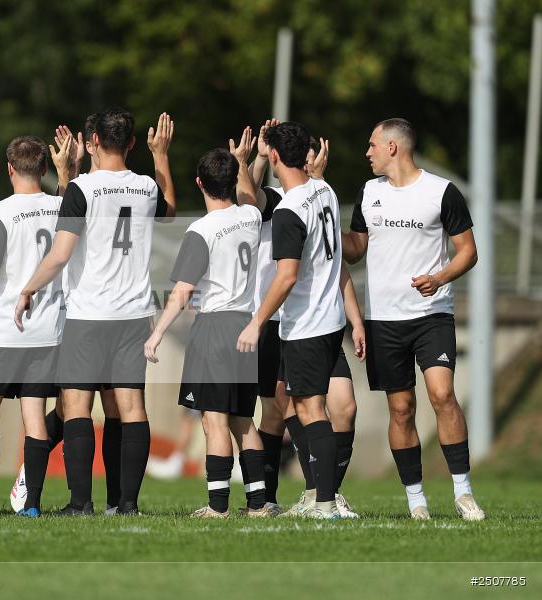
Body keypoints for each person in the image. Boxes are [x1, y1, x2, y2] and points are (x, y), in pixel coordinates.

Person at [16, 108, 176, 515]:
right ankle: (126, 504)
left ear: (92, 143)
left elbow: (61, 253)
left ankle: (80, 503)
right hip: (135, 314)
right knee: (131, 407)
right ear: (133, 144)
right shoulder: (145, 187)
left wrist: (29, 288)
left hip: (89, 314)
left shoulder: (81, 190)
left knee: (76, 406)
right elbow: (169, 210)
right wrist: (162, 157)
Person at [342, 118, 483, 521]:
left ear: (392, 147)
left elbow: (468, 252)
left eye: (372, 144)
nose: (366, 152)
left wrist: (439, 278)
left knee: (441, 395)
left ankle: (463, 492)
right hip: (383, 320)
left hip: (431, 315)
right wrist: (327, 224)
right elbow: (355, 251)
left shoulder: (442, 192)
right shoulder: (369, 193)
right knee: (401, 409)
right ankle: (416, 500)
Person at [242, 123, 363, 518]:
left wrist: (256, 321)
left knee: (311, 411)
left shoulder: (290, 211)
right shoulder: (324, 190)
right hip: (329, 323)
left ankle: (324, 501)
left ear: (276, 157)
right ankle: (319, 497)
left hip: (306, 325)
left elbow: (288, 275)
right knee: (297, 407)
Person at [10, 115, 128, 515]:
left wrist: (70, 173)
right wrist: (70, 172)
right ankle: (116, 502)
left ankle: (50, 486)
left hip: (72, 314)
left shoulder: (27, 205)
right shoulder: (138, 187)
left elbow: (69, 237)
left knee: (70, 406)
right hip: (102, 315)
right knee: (91, 407)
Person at [144, 148, 265, 518]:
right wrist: (248, 161)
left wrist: (156, 334)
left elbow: (182, 291)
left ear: (199, 183)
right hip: (246, 325)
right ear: (233, 180)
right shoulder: (252, 216)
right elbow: (250, 191)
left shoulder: (202, 230)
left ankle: (218, 505)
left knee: (215, 420)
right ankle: (259, 504)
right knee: (244, 421)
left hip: (215, 327)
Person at [0, 135, 71, 518]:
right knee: (35, 416)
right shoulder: (61, 207)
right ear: (43, 169)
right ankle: (32, 505)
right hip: (47, 330)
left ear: (8, 169)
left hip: (4, 330)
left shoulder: (0, 213)